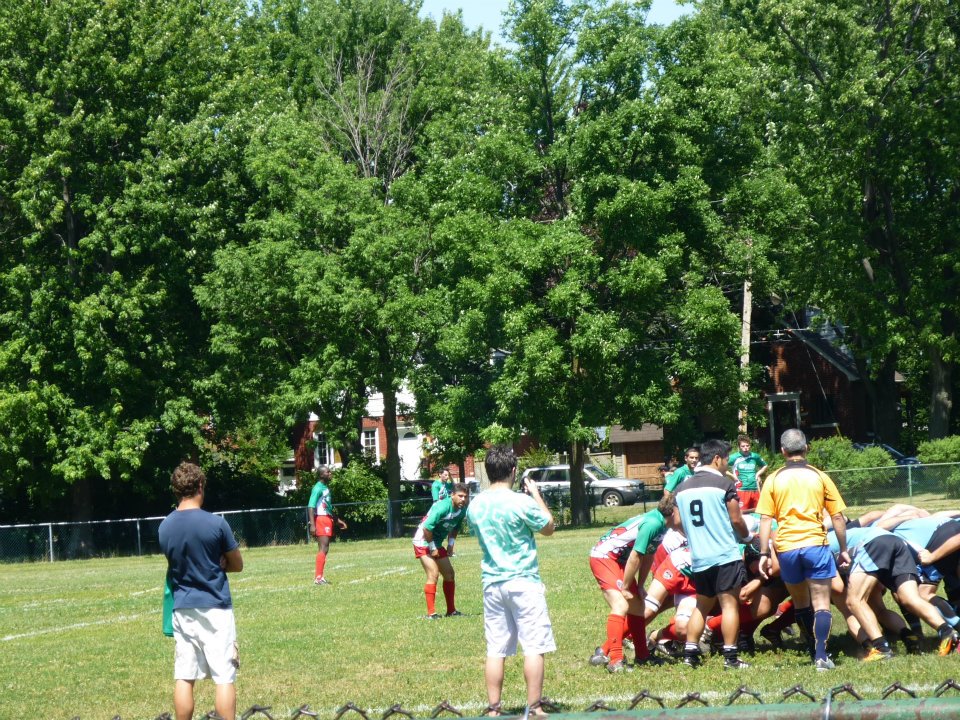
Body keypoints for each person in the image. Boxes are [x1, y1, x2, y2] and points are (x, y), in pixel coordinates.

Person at [467, 445, 555, 717]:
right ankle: (535, 706)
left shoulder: (476, 505)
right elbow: (548, 527)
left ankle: (494, 708)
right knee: (534, 646)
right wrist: (537, 495)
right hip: (523, 582)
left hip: (492, 583)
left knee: (496, 649)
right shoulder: (521, 501)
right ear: (513, 471)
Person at [757, 428, 850, 670]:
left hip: (787, 548)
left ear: (783, 451)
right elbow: (838, 517)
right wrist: (843, 549)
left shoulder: (773, 479)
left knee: (800, 603)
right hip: (815, 545)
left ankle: (811, 648)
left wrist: (765, 555)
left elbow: (765, 520)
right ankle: (821, 655)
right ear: (806, 448)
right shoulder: (819, 476)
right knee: (821, 603)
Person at [158, 462, 243, 720]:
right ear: (200, 486)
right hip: (215, 606)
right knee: (224, 676)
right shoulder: (216, 524)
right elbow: (237, 564)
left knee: (185, 675)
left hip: (183, 607)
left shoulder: (164, 527)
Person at [674, 438, 752, 670]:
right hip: (724, 554)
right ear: (717, 459)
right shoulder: (723, 484)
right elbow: (737, 518)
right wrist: (747, 538)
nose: (727, 464)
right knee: (729, 606)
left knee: (702, 606)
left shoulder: (682, 487)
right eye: (727, 459)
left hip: (699, 557)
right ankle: (730, 657)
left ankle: (689, 653)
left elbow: (677, 521)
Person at [588, 495, 678, 671]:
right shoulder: (653, 523)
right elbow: (636, 555)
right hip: (604, 557)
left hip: (618, 560)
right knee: (621, 605)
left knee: (637, 605)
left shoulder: (662, 524)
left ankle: (642, 656)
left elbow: (648, 555)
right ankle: (615, 660)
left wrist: (640, 585)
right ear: (674, 511)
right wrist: (626, 587)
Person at [413, 483, 470, 619]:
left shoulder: (462, 510)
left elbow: (455, 528)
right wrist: (432, 548)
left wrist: (450, 545)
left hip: (436, 541)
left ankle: (451, 611)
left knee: (449, 574)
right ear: (452, 495)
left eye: (465, 497)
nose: (463, 499)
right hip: (423, 540)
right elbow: (426, 528)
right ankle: (431, 614)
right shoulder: (442, 507)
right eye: (460, 496)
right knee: (433, 573)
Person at [307, 465, 347, 585]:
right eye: (327, 472)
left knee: (325, 548)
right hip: (321, 519)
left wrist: (337, 520)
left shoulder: (325, 488)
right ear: (321, 475)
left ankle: (320, 576)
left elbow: (327, 507)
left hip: (327, 518)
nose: (330, 473)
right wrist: (312, 525)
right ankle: (318, 578)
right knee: (323, 547)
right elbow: (311, 506)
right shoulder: (317, 488)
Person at [729, 435, 767, 511]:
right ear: (739, 447)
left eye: (747, 446)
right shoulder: (734, 457)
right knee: (743, 513)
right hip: (741, 489)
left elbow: (765, 466)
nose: (745, 448)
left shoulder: (754, 456)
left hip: (755, 489)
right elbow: (722, 466)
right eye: (743, 446)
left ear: (750, 446)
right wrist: (732, 476)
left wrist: (758, 474)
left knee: (758, 512)